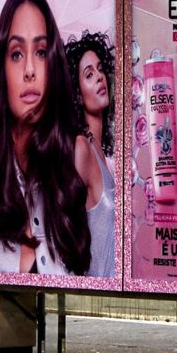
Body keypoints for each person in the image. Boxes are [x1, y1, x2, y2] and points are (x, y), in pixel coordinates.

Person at [0, 0, 103, 276]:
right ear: (1, 67)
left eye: (40, 52)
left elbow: (104, 268)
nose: (29, 70)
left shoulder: (76, 155)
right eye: (16, 54)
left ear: (53, 63)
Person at [67, 30, 117, 278]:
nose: (99, 77)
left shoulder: (101, 154)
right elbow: (66, 235)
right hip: (95, 294)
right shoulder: (82, 149)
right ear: (77, 94)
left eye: (99, 69)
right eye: (89, 74)